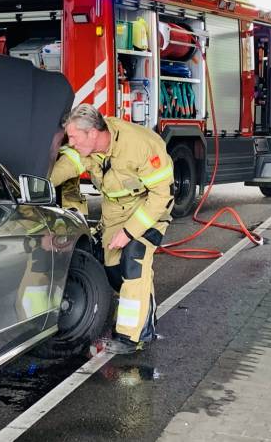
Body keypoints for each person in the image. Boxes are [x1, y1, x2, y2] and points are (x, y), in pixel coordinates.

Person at [50, 104, 174, 354]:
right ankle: (146, 321)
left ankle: (131, 337)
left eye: (73, 137)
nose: (70, 142)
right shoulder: (88, 147)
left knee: (133, 261)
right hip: (115, 213)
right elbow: (69, 165)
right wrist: (39, 184)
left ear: (92, 133)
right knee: (114, 271)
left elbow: (161, 195)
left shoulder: (140, 146)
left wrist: (129, 233)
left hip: (149, 210)